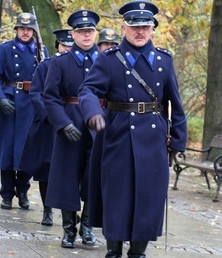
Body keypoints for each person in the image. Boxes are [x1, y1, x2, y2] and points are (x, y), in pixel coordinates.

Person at [78, 1, 187, 257]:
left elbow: (175, 103)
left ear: (153, 29)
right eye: (135, 26)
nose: (140, 31)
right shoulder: (108, 60)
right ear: (124, 27)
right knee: (117, 197)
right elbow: (88, 90)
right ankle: (113, 252)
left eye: (145, 26)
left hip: (154, 139)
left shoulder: (163, 60)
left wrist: (178, 141)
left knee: (149, 198)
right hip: (117, 136)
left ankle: (138, 253)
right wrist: (93, 112)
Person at [43, 10, 100, 249]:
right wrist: (63, 123)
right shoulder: (60, 62)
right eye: (81, 31)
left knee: (93, 178)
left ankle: (87, 226)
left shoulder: (107, 61)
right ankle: (68, 229)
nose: (86, 36)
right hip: (69, 122)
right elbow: (49, 96)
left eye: (90, 31)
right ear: (73, 34)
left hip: (98, 125)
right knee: (67, 178)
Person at [0, 13, 49, 211]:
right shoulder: (5, 49)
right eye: (22, 29)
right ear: (16, 30)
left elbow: (48, 79)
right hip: (10, 103)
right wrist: (0, 98)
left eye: (29, 29)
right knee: (7, 150)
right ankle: (7, 193)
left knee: (29, 150)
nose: (25, 32)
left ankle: (22, 190)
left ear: (33, 31)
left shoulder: (42, 50)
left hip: (32, 104)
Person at [19, 28, 73, 226]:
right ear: (58, 46)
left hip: (72, 122)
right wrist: (51, 115)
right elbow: (36, 93)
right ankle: (47, 210)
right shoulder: (46, 66)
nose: (68, 49)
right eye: (64, 45)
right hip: (47, 125)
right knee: (45, 169)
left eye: (71, 45)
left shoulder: (82, 66)